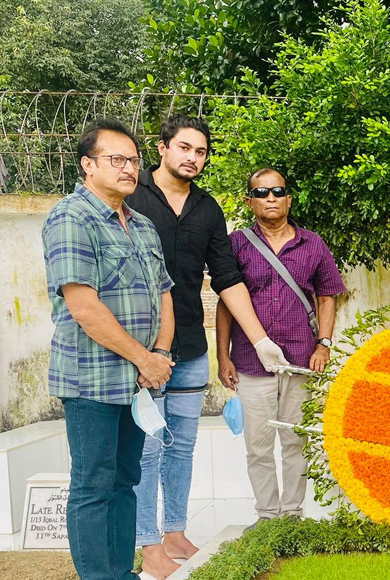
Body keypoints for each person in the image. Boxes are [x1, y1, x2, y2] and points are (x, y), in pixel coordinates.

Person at [124, 115, 287, 578]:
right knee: (148, 448)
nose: (192, 158)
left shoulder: (207, 209)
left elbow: (227, 277)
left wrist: (258, 338)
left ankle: (175, 531)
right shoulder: (132, 196)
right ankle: (148, 543)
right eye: (184, 147)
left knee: (182, 446)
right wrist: (137, 352)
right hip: (143, 347)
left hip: (191, 346)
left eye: (200, 151)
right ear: (162, 148)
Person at [42, 118, 174, 580]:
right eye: (116, 159)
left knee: (125, 481)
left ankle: (122, 573)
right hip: (91, 381)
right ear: (88, 164)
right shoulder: (70, 218)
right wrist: (144, 359)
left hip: (138, 383)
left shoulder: (142, 225)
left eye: (134, 160)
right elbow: (84, 307)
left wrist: (160, 355)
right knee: (93, 485)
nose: (129, 168)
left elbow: (164, 293)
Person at [216, 167, 345, 522]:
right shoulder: (236, 244)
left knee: (295, 442)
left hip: (301, 360)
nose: (270, 198)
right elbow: (227, 303)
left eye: (277, 191)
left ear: (289, 199)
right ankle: (267, 517)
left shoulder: (313, 244)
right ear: (249, 202)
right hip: (250, 362)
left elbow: (328, 295)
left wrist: (324, 345)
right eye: (261, 193)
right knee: (258, 446)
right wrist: (222, 355)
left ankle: (292, 515)